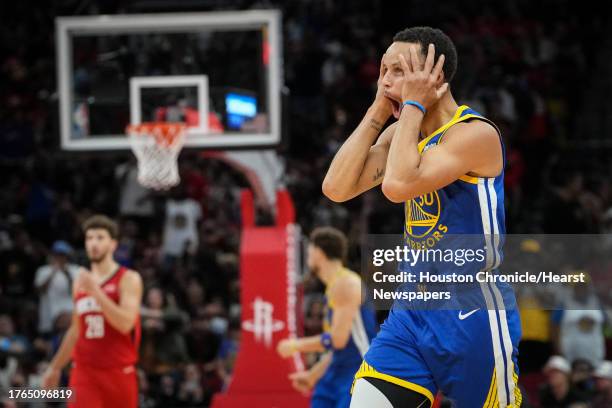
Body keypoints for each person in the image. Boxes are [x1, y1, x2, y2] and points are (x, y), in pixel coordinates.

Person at [323, 27, 521, 407]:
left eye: (398, 71)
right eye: (382, 70)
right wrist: (377, 111)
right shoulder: (401, 132)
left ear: (436, 78)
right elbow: (336, 187)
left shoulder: (475, 134)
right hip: (411, 313)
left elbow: (398, 185)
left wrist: (411, 105)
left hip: (471, 313)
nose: (385, 81)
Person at [41, 215, 143, 408]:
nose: (93, 243)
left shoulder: (128, 279)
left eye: (100, 237)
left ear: (113, 244)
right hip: (84, 372)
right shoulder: (79, 283)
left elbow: (125, 323)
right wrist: (54, 367)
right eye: (89, 238)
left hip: (119, 372)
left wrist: (96, 292)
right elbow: (75, 331)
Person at [276, 227, 377, 408]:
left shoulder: (346, 284)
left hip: (359, 371)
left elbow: (337, 340)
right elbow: (339, 347)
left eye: (309, 251)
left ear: (318, 252)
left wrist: (296, 345)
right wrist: (312, 375)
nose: (308, 257)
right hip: (336, 371)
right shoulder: (333, 287)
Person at [34, 241, 80, 336]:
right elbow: (39, 291)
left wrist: (66, 273)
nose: (60, 258)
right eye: (57, 255)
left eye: (63, 255)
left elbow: (76, 291)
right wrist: (53, 272)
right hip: (49, 314)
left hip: (70, 314)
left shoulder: (75, 270)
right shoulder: (43, 271)